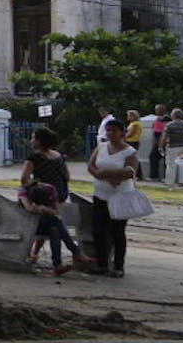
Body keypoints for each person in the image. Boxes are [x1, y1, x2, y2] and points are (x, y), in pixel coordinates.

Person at [88, 118, 139, 277]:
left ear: (122, 133)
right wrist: (101, 175)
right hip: (100, 194)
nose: (110, 134)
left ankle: (118, 266)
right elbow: (91, 166)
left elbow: (130, 172)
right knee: (98, 230)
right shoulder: (101, 147)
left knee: (117, 231)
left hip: (120, 195)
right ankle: (101, 263)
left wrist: (109, 175)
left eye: (114, 131)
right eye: (108, 130)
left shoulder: (129, 151)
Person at [20, 127, 73, 263]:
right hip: (59, 195)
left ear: (39, 141)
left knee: (41, 224)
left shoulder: (34, 157)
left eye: (33, 138)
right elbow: (67, 177)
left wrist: (34, 186)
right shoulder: (59, 157)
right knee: (51, 225)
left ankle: (31, 253)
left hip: (42, 196)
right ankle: (39, 254)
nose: (31, 140)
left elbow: (24, 179)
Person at [19, 179, 93, 275]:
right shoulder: (24, 191)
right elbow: (29, 208)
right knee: (56, 223)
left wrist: (44, 209)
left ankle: (59, 265)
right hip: (28, 224)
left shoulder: (50, 189)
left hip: (47, 222)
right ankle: (75, 253)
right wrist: (40, 208)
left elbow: (57, 211)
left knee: (55, 230)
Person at [164, 108, 183, 186]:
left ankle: (169, 181)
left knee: (171, 164)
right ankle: (182, 181)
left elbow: (165, 136)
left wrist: (161, 145)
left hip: (172, 146)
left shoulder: (169, 125)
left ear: (173, 115)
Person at [151, 104, 169, 180]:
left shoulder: (166, 118)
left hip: (162, 139)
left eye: (158, 109)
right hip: (156, 139)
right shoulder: (157, 118)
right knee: (153, 157)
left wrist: (162, 142)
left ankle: (165, 176)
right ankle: (154, 175)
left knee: (164, 159)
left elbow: (165, 130)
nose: (156, 111)